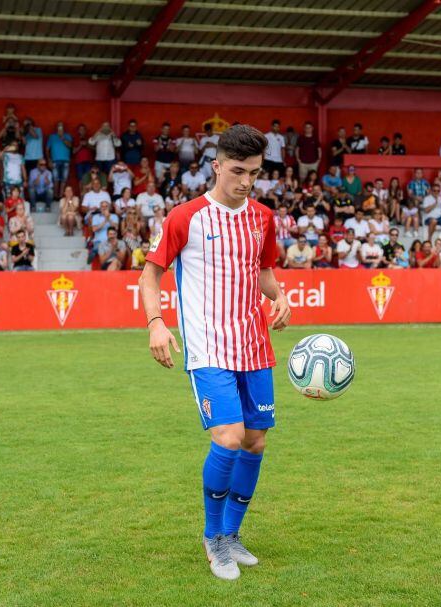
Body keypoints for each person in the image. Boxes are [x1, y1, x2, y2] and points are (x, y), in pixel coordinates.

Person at [137, 124, 291, 581]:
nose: (246, 182)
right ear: (216, 166)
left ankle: (232, 535)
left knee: (255, 441)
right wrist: (156, 323)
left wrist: (278, 297)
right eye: (238, 171)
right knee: (227, 437)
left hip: (254, 344)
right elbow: (151, 275)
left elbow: (263, 271)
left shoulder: (263, 217)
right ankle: (212, 538)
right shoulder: (186, 217)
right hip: (207, 347)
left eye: (254, 173)